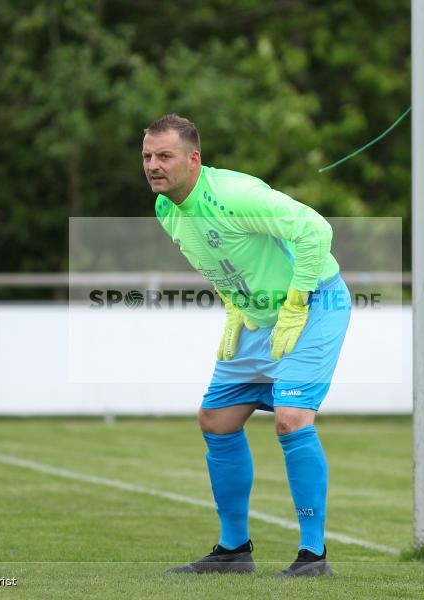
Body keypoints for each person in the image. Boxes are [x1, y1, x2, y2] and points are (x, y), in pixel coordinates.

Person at [143, 114, 351, 577]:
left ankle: (312, 556)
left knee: (291, 418)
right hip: (260, 318)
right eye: (147, 156)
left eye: (164, 156)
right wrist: (237, 309)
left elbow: (315, 231)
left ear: (193, 159)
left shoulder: (234, 196)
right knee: (215, 420)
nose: (153, 165)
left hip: (316, 303)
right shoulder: (166, 209)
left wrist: (296, 304)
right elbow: (220, 261)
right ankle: (234, 551)